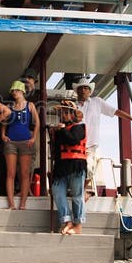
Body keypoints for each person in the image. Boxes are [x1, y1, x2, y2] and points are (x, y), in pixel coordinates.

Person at [73, 79, 132, 190]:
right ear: (77, 90)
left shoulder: (97, 102)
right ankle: (78, 191)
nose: (83, 90)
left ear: (90, 91)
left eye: (86, 88)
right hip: (74, 144)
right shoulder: (73, 106)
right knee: (74, 171)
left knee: (88, 169)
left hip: (90, 145)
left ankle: (80, 191)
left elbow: (116, 111)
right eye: (81, 88)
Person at [0, 80, 39, 210]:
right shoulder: (10, 107)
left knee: (24, 173)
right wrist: (3, 135)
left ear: (22, 91)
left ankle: (23, 203)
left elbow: (37, 123)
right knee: (10, 173)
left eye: (16, 90)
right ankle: (11, 204)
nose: (14, 93)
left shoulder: (30, 105)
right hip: (11, 141)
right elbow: (4, 122)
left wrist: (34, 137)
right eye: (12, 91)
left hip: (25, 141)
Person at [50, 99, 87, 235]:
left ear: (73, 114)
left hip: (76, 166)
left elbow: (73, 140)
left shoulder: (80, 127)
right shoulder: (60, 130)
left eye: (66, 112)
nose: (63, 115)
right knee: (57, 192)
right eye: (62, 112)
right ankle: (67, 221)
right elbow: (57, 150)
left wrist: (63, 130)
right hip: (61, 167)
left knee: (77, 196)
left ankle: (78, 226)